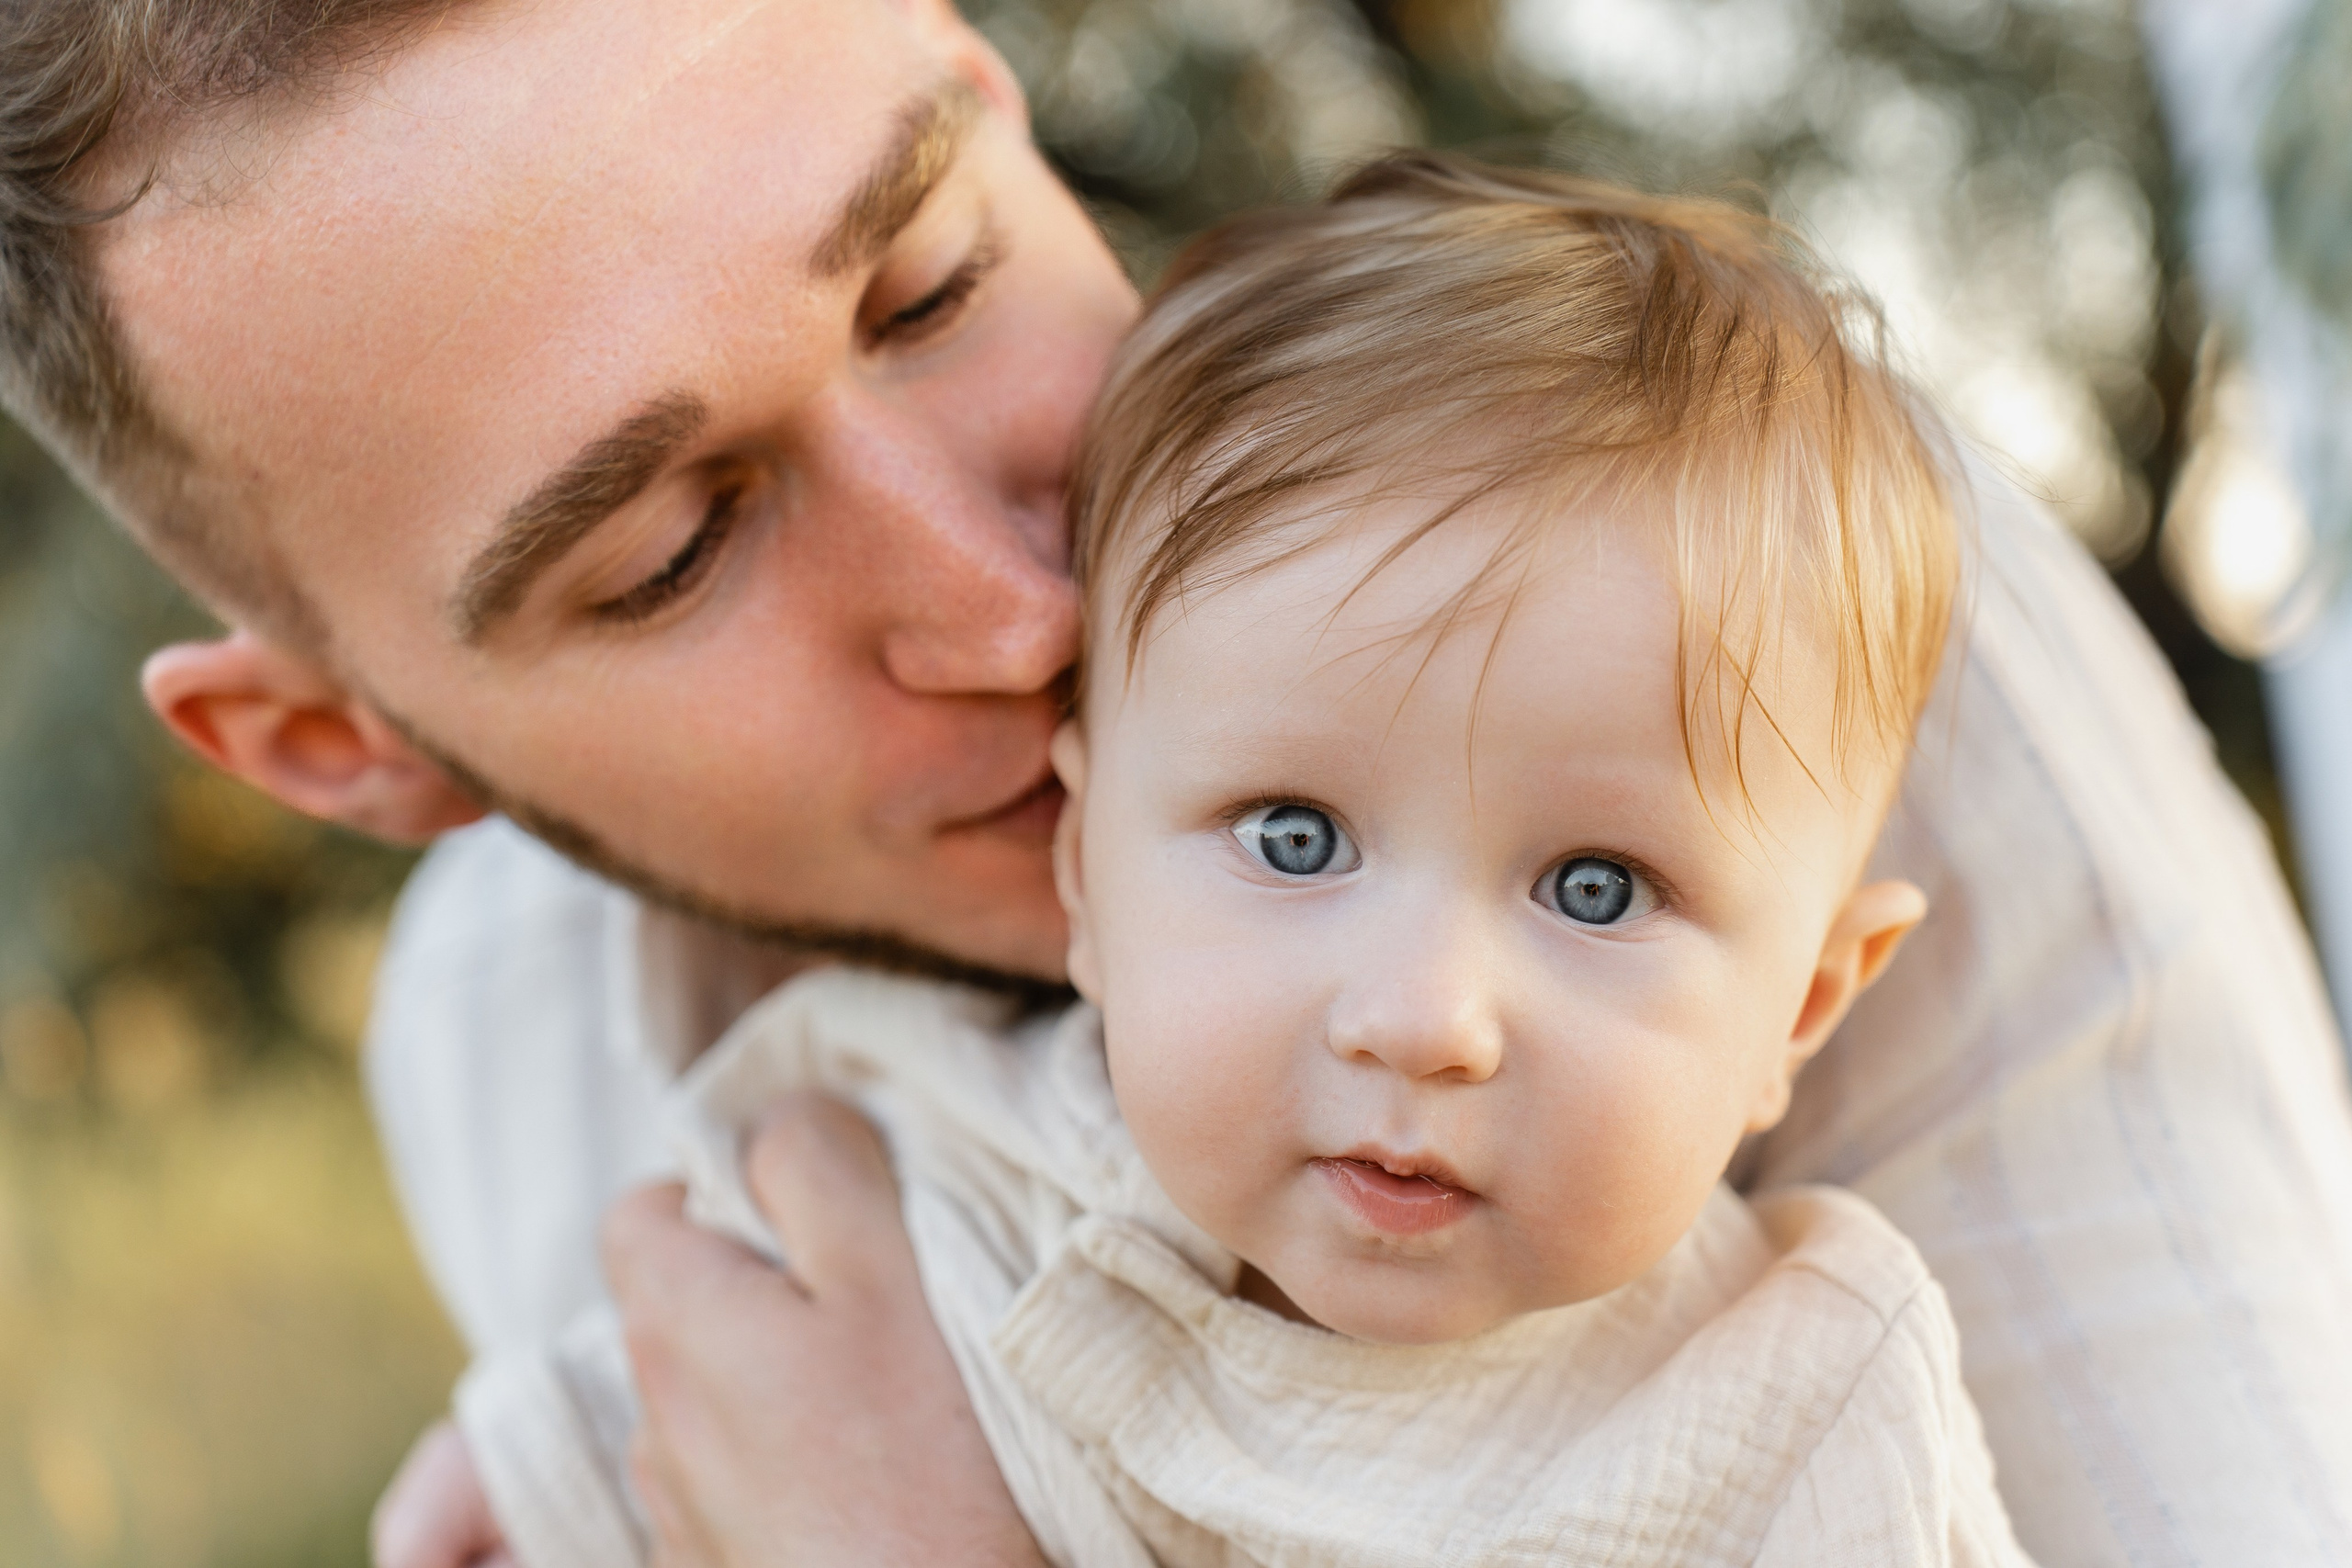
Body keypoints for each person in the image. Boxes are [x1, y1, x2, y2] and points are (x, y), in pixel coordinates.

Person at [0, 3, 2344, 1565]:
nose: (1019, 607)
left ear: (984, 97)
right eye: (672, 550)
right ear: (348, 748)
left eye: (928, 284)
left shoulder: (1772, 637)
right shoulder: (505, 1054)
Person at [456, 158, 2033, 1568]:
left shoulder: (1805, 1418)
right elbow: (703, 1354)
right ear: (1085, 876)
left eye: (1596, 890)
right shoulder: (961, 1142)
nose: (1422, 1020)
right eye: (1296, 838)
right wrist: (516, 1471)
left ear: (1802, 1004)